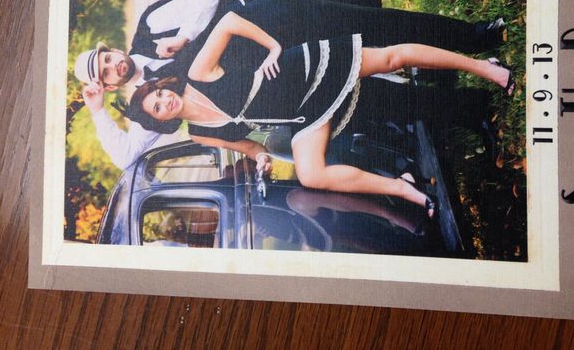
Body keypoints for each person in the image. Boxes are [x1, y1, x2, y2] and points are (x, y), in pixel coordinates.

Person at [76, 0, 507, 170]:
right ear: (109, 87)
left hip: (276, 25)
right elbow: (126, 156)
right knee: (370, 102)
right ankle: (472, 109)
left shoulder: (151, 25)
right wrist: (96, 111)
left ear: (111, 48)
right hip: (286, 86)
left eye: (107, 58)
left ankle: (475, 37)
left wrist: (184, 38)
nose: (114, 67)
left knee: (378, 30)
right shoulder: (150, 103)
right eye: (106, 75)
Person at [124, 11, 515, 217]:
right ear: (161, 121)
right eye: (157, 108)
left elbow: (228, 22)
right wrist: (261, 160)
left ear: (162, 86)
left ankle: (484, 68)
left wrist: (273, 48)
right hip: (300, 114)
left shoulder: (197, 74)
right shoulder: (199, 133)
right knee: (311, 174)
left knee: (390, 58)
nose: (164, 101)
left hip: (303, 71)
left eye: (158, 94)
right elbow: (254, 149)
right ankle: (401, 187)